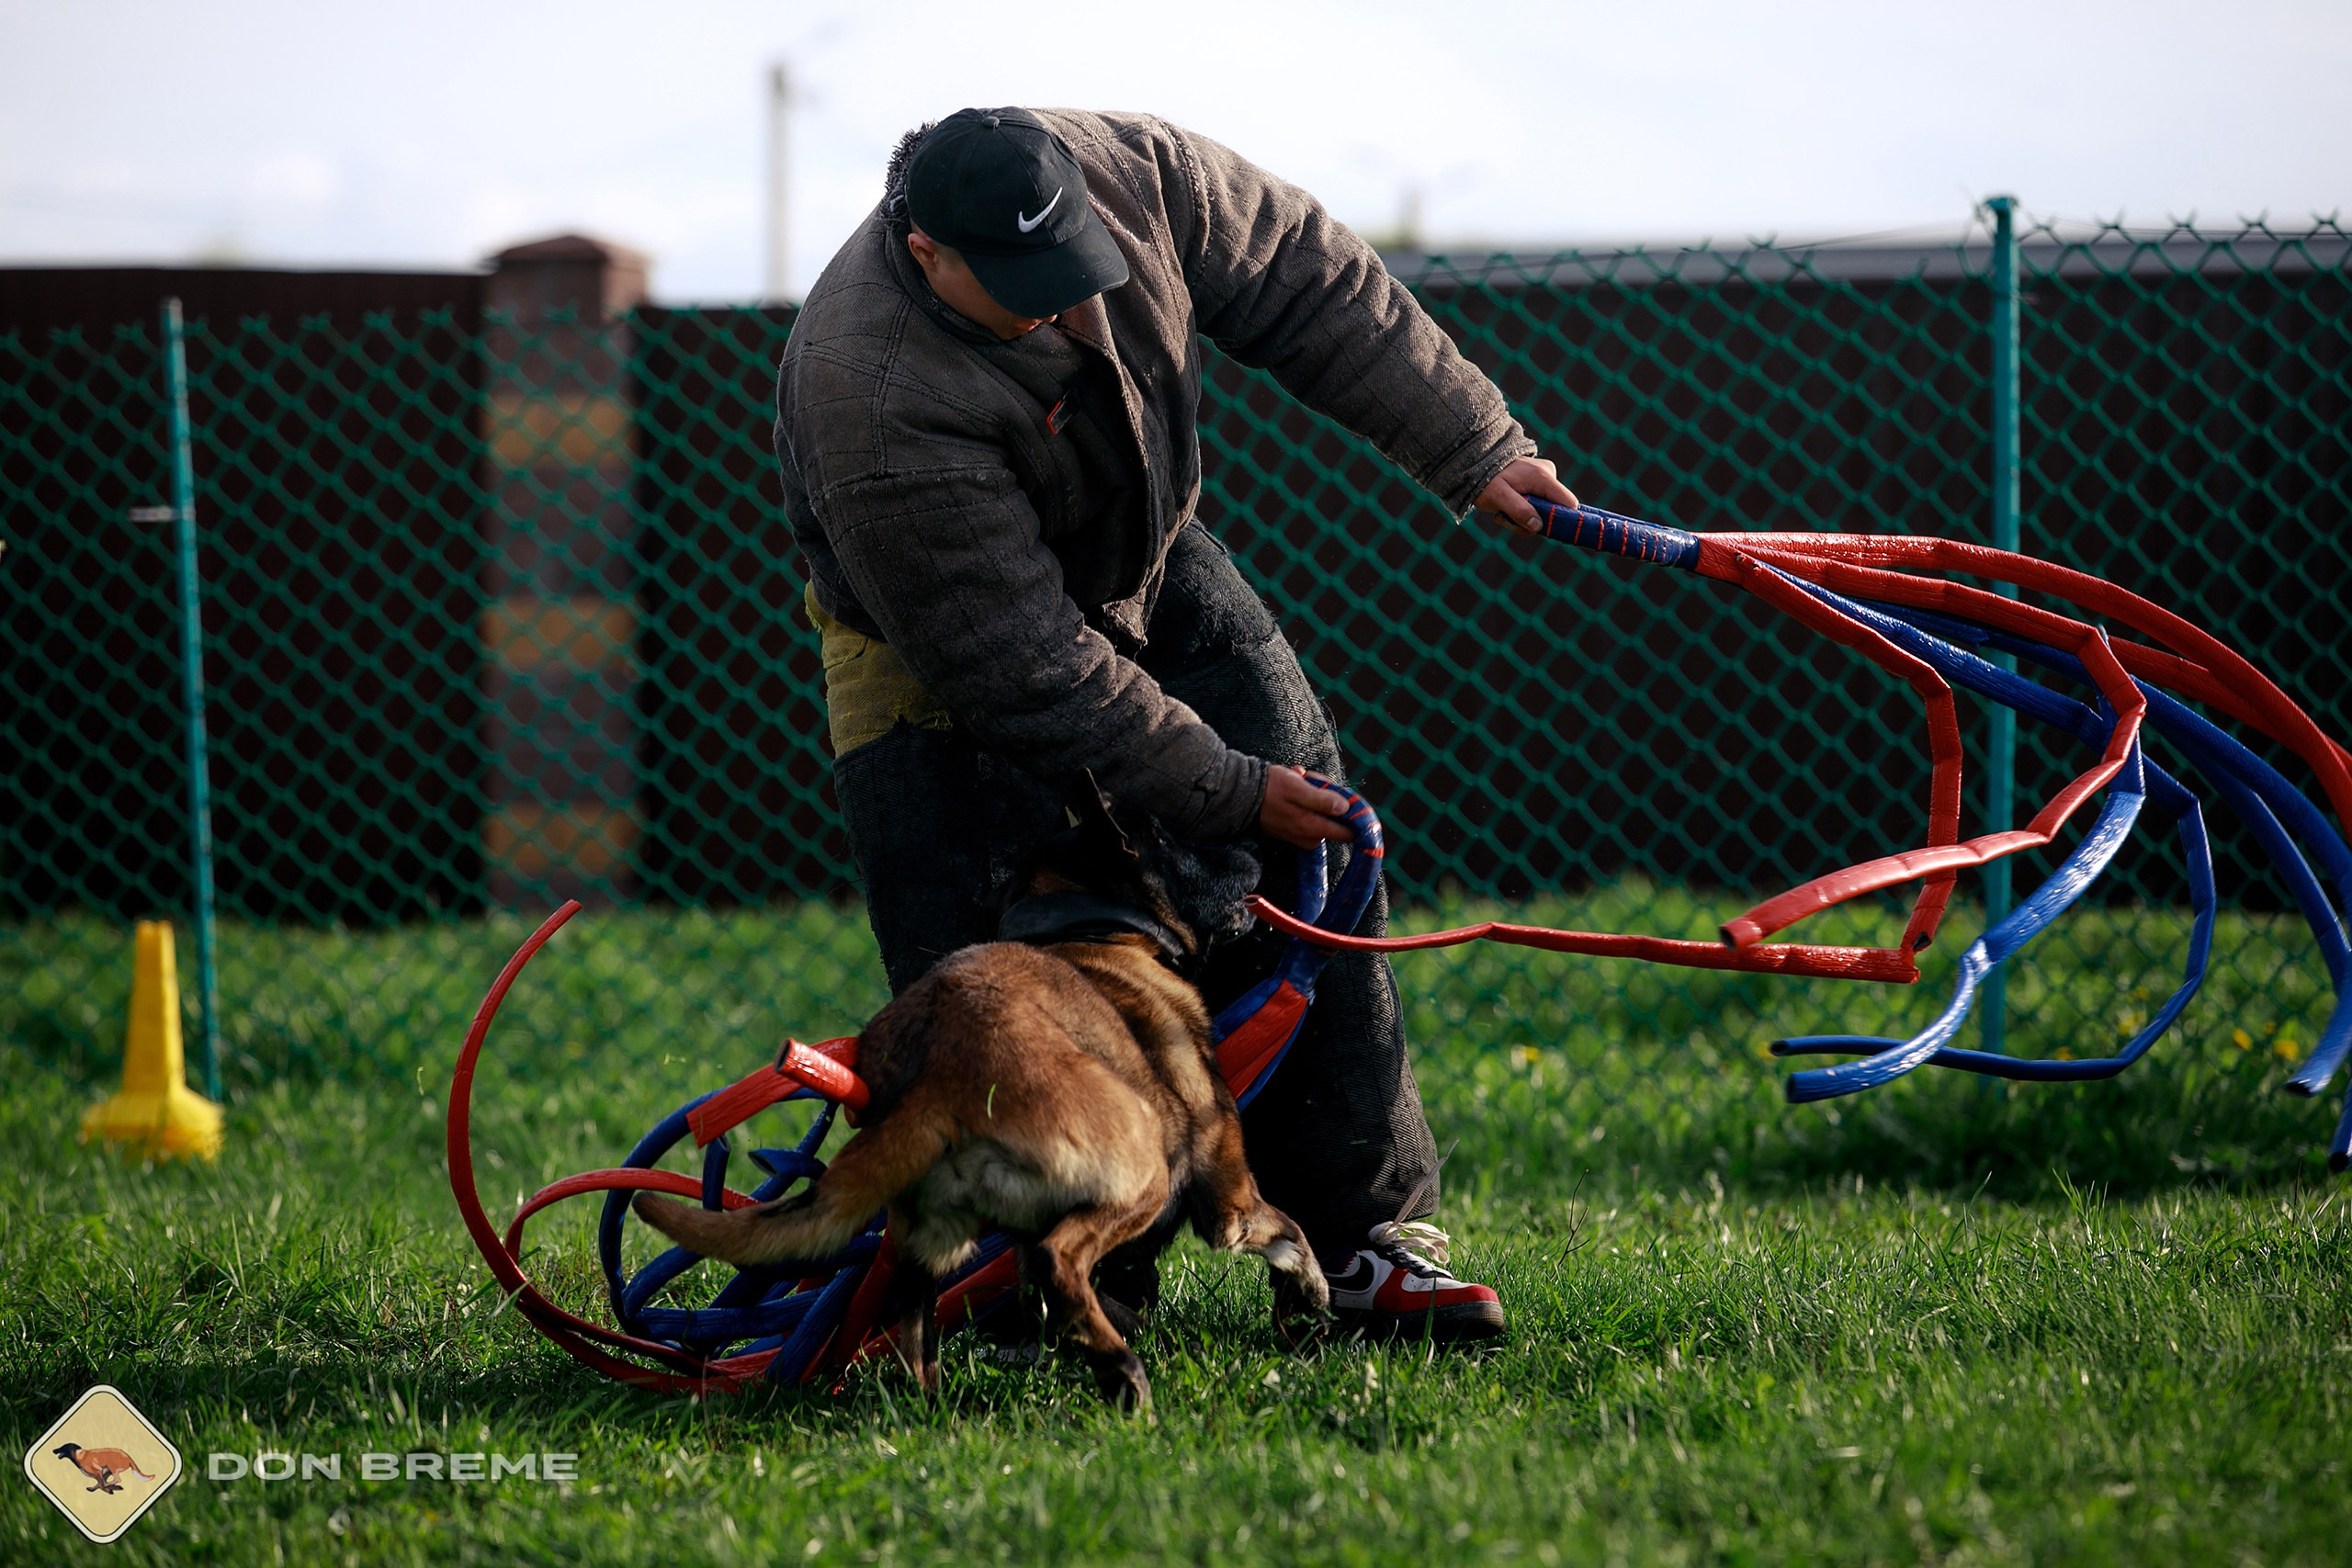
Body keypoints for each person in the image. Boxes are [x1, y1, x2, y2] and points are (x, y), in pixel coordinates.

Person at [775, 106, 1577, 1340]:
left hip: (1145, 552)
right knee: (993, 968)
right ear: (927, 252)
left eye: (1071, 274)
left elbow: (1313, 282)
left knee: (1320, 843)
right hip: (939, 651)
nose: (1059, 311)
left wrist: (1472, 446)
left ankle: (1367, 1247)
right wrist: (1220, 786)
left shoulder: (1132, 171)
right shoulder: (869, 391)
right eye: (1022, 291)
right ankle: (1057, 1276)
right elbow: (1025, 667)